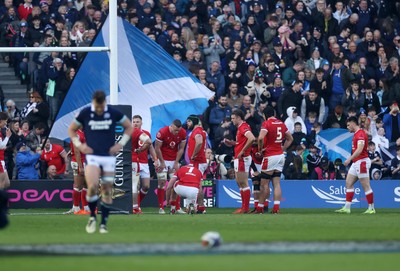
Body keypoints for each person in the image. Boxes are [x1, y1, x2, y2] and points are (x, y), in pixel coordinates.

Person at [68, 90, 133, 234]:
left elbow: (129, 127)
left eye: (101, 106)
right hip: (93, 157)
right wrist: (79, 145)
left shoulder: (113, 112)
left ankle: (103, 223)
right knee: (92, 187)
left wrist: (120, 144)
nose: (99, 109)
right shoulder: (85, 113)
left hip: (108, 156)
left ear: (104, 102)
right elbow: (71, 130)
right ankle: (92, 217)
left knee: (107, 191)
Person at [256, 106, 293, 214]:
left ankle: (260, 208)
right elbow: (290, 138)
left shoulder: (266, 124)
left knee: (264, 184)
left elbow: (261, 138)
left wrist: (260, 150)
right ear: (274, 114)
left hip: (270, 156)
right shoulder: (281, 123)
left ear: (264, 115)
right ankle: (276, 208)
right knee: (276, 184)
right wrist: (283, 148)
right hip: (280, 156)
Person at [335, 116, 375, 214]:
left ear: (353, 123)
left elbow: (360, 149)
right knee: (348, 183)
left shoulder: (360, 134)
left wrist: (349, 159)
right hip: (356, 162)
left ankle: (371, 208)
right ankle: (347, 208)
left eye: (348, 125)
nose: (348, 127)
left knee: (366, 186)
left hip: (362, 162)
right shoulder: (356, 134)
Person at [155, 119, 187, 214]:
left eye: (178, 130)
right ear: (171, 126)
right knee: (162, 182)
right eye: (175, 130)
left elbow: (181, 148)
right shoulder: (162, 132)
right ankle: (161, 207)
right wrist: (161, 162)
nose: (177, 132)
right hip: (162, 159)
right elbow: (157, 148)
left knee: (176, 183)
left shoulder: (183, 132)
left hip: (174, 160)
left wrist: (176, 162)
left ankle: (176, 207)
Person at [231, 109, 255, 214]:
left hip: (243, 158)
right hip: (239, 157)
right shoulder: (240, 128)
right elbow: (242, 141)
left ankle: (245, 208)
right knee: (239, 182)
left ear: (238, 118)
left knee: (243, 182)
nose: (232, 120)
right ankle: (243, 207)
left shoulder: (243, 127)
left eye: (233, 118)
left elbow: (252, 138)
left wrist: (243, 151)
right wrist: (233, 143)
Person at [131, 115, 155, 214]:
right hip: (134, 161)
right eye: (134, 121)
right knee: (135, 185)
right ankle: (136, 207)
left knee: (146, 186)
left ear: (141, 123)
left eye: (138, 122)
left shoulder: (146, 134)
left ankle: (136, 204)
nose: (135, 123)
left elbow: (151, 147)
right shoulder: (131, 133)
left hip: (144, 163)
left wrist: (155, 159)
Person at [64, 129, 89, 215]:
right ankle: (75, 207)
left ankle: (86, 207)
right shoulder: (76, 134)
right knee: (78, 185)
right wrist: (80, 166)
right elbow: (77, 151)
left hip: (85, 161)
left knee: (86, 184)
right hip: (78, 162)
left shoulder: (84, 132)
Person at [186, 115, 208, 214]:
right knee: (197, 185)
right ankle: (200, 207)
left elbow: (199, 142)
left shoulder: (197, 131)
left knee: (197, 185)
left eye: (189, 121)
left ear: (194, 122)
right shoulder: (200, 130)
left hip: (197, 162)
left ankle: (198, 206)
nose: (187, 123)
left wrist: (194, 155)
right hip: (198, 161)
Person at [0, 112, 11, 190]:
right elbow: (1, 146)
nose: (6, 123)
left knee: (6, 183)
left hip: (2, 159)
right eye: (5, 121)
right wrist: (7, 137)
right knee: (2, 183)